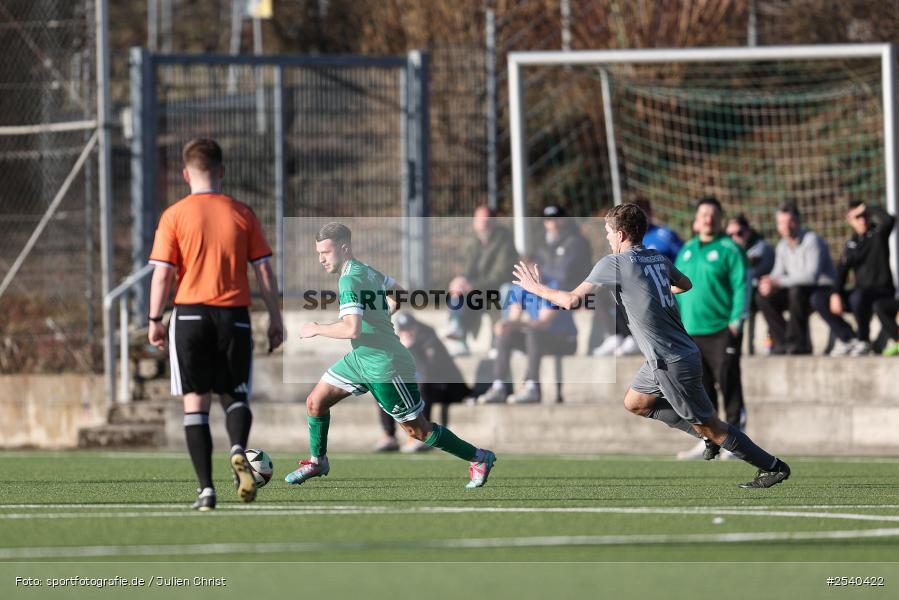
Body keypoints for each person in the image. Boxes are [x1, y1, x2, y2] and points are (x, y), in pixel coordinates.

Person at [513, 203, 791, 489]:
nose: (607, 238)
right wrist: (650, 292)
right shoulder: (656, 258)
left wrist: (537, 289)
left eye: (608, 232)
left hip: (669, 359)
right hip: (666, 356)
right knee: (636, 402)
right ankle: (705, 435)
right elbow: (685, 284)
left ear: (620, 235)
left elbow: (572, 301)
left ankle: (771, 466)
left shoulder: (615, 263)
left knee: (713, 425)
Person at [286, 222, 496, 488]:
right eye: (318, 253)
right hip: (361, 360)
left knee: (416, 430)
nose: (321, 259)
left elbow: (352, 329)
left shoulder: (350, 279)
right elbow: (399, 293)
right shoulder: (366, 270)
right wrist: (382, 317)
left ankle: (478, 457)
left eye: (325, 253)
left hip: (385, 365)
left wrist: (317, 328)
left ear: (344, 248)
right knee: (315, 403)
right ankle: (318, 462)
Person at [147, 138, 285, 511]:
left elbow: (162, 275)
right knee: (236, 394)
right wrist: (275, 317)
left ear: (185, 173)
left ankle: (206, 490)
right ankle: (239, 448)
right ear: (221, 171)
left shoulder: (174, 215)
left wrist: (154, 319)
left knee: (196, 405)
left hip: (190, 315)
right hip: (234, 316)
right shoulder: (241, 212)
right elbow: (264, 270)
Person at [674, 197, 748, 460]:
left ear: (720, 219)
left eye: (713, 214)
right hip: (692, 330)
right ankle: (709, 440)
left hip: (722, 329)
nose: (707, 218)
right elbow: (677, 290)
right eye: (703, 213)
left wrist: (737, 320)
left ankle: (738, 440)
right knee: (700, 389)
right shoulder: (686, 250)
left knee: (728, 383)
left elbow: (742, 285)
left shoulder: (730, 248)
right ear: (695, 220)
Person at [755, 203, 861, 355]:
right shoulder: (782, 246)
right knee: (762, 298)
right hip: (796, 289)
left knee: (796, 292)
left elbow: (811, 276)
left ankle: (798, 344)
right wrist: (767, 283)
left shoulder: (812, 240)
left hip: (820, 288)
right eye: (781, 223)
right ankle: (783, 341)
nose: (785, 226)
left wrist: (777, 282)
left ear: (797, 222)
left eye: (789, 221)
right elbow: (777, 273)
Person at [373, 312, 471, 452]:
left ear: (416, 327)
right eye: (404, 329)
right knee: (384, 389)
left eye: (409, 328)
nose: (407, 333)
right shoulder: (399, 345)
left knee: (422, 387)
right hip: (429, 387)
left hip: (450, 388)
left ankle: (423, 436)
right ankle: (390, 436)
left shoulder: (430, 341)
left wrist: (411, 348)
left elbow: (429, 373)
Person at [475, 280, 578, 405]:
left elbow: (543, 323)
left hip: (564, 340)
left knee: (533, 332)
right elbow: (514, 319)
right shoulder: (519, 288)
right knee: (506, 334)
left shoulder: (552, 285)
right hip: (540, 338)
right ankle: (499, 386)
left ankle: (532, 387)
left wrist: (512, 324)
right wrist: (506, 325)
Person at [445, 206, 519, 355]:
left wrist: (473, 285)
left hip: (496, 288)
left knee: (506, 290)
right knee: (457, 288)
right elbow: (467, 269)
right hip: (478, 290)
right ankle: (457, 333)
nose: (482, 223)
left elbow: (501, 274)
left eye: (486, 219)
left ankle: (501, 341)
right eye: (479, 219)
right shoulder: (474, 243)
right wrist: (461, 281)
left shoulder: (504, 240)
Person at [830, 201, 896, 354]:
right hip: (861, 293)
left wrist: (866, 207)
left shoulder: (878, 234)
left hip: (882, 291)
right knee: (820, 298)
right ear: (850, 220)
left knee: (858, 296)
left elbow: (889, 219)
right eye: (857, 217)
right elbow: (841, 271)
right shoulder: (852, 244)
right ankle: (848, 338)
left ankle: (863, 340)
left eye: (864, 216)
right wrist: (835, 293)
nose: (862, 220)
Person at [726, 214, 774, 354]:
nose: (735, 238)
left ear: (748, 231)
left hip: (760, 293)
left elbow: (745, 270)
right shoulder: (728, 251)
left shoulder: (760, 248)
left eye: (739, 233)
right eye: (730, 235)